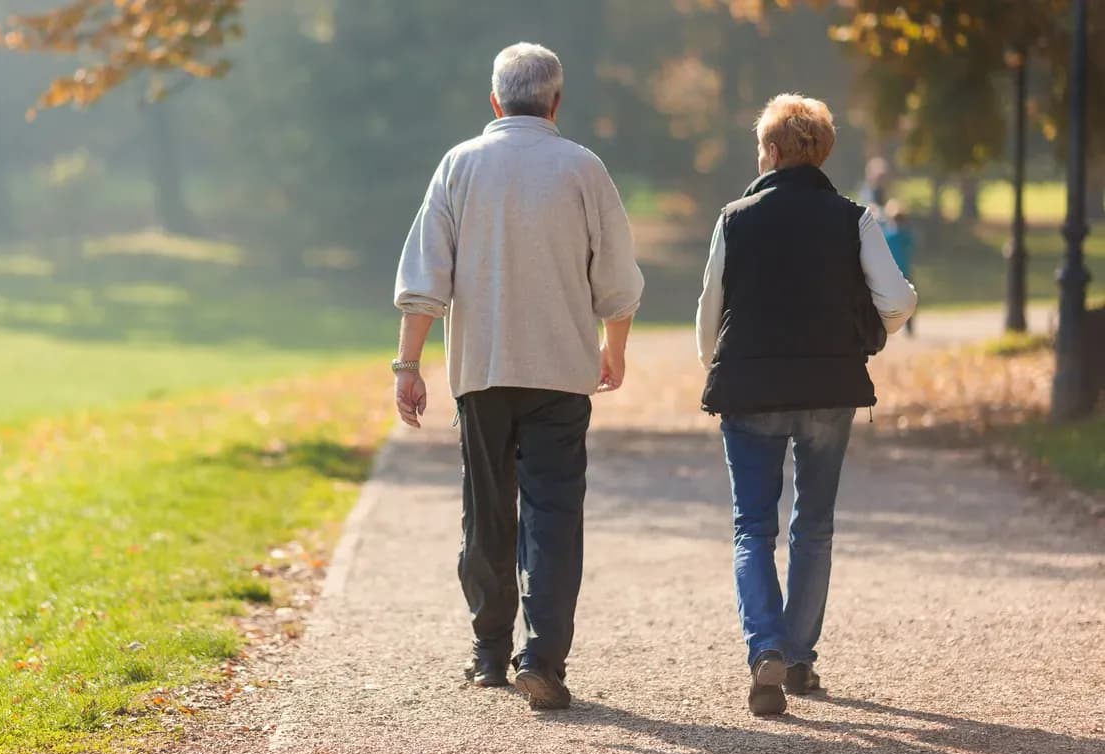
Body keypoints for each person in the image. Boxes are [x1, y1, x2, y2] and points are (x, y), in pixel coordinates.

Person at [392, 42, 645, 711]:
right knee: (555, 516)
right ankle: (544, 656)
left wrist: (408, 364)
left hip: (482, 373)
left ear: (496, 100)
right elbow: (618, 281)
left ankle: (488, 652)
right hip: (561, 373)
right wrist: (612, 348)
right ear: (556, 101)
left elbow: (425, 280)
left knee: (486, 513)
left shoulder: (460, 166)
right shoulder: (583, 169)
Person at [695, 94, 917, 716]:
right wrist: (873, 330)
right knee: (813, 526)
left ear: (769, 151)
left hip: (750, 390)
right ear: (822, 152)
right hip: (829, 389)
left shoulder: (734, 218)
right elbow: (896, 301)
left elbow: (709, 315)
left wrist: (718, 363)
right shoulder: (854, 218)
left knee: (752, 528)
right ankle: (798, 658)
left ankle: (764, 645)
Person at [881, 199, 916, 337]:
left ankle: (887, 328)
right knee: (908, 299)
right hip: (904, 270)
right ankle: (909, 329)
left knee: (887, 301)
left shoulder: (889, 234)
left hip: (892, 272)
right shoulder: (906, 234)